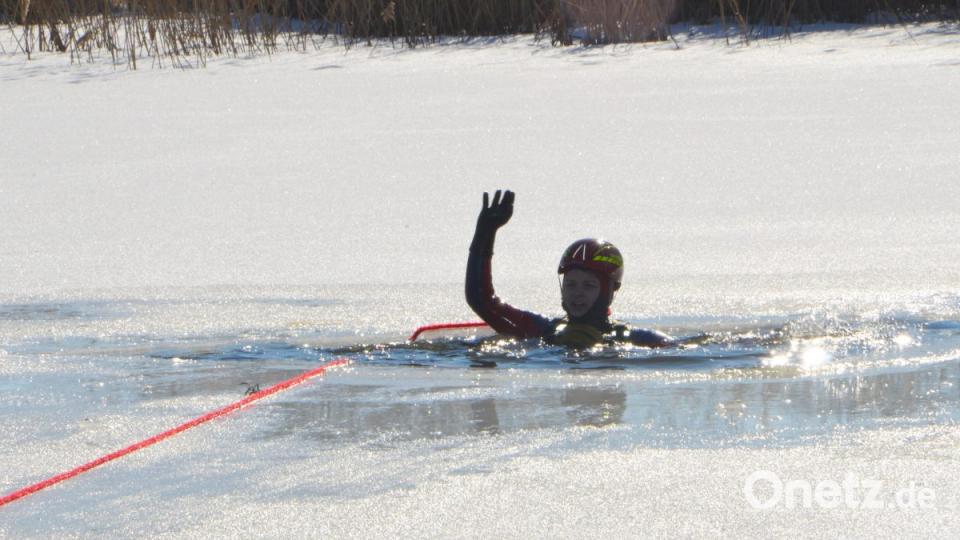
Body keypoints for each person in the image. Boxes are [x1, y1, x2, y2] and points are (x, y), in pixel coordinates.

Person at [465, 189, 673, 348]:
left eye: (589, 286)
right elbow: (481, 299)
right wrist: (485, 233)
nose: (577, 293)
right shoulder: (544, 330)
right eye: (571, 284)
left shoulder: (634, 339)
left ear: (611, 290)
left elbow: (680, 350)